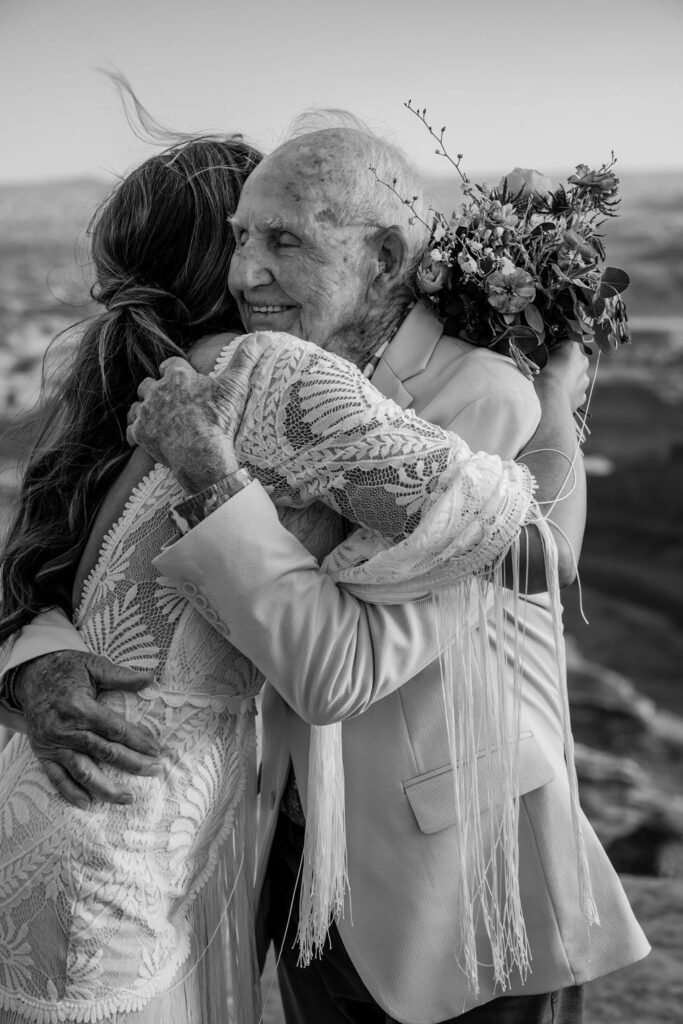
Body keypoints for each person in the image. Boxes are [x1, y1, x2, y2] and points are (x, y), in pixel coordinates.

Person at [0, 117, 648, 1024]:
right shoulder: (210, 381)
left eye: (284, 238)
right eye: (238, 239)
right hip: (252, 852)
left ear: (383, 256)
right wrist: (31, 661)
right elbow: (52, 561)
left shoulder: (469, 391)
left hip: (447, 877)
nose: (248, 271)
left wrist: (552, 401)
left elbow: (362, 657)